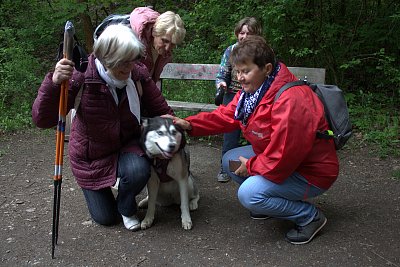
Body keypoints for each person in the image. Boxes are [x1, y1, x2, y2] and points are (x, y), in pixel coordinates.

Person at [166, 36, 339, 244]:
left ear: (266, 68)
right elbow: (226, 116)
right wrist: (190, 124)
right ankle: (271, 204)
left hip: (310, 171)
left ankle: (310, 217)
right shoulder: (254, 93)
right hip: (285, 162)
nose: (240, 77)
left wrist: (252, 166)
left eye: (246, 71)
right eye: (237, 71)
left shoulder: (291, 100)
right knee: (229, 160)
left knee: (249, 194)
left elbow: (283, 156)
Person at [32, 24, 174, 231]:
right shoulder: (81, 76)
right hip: (91, 156)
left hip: (127, 146)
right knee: (106, 218)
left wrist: (171, 138)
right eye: (122, 63)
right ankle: (107, 193)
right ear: (105, 60)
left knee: (138, 170)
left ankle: (126, 206)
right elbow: (42, 119)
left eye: (132, 60)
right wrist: (53, 83)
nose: (128, 68)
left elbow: (163, 111)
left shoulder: (137, 74)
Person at [215, 17, 262, 183]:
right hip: (232, 95)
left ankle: (256, 169)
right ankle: (227, 167)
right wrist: (221, 83)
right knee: (230, 135)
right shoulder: (231, 51)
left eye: (249, 33)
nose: (244, 36)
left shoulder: (261, 52)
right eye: (242, 33)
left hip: (256, 96)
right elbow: (222, 73)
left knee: (257, 135)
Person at [130, 7, 186, 88]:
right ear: (154, 32)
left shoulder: (163, 53)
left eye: (173, 44)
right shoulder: (136, 45)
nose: (167, 48)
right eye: (165, 41)